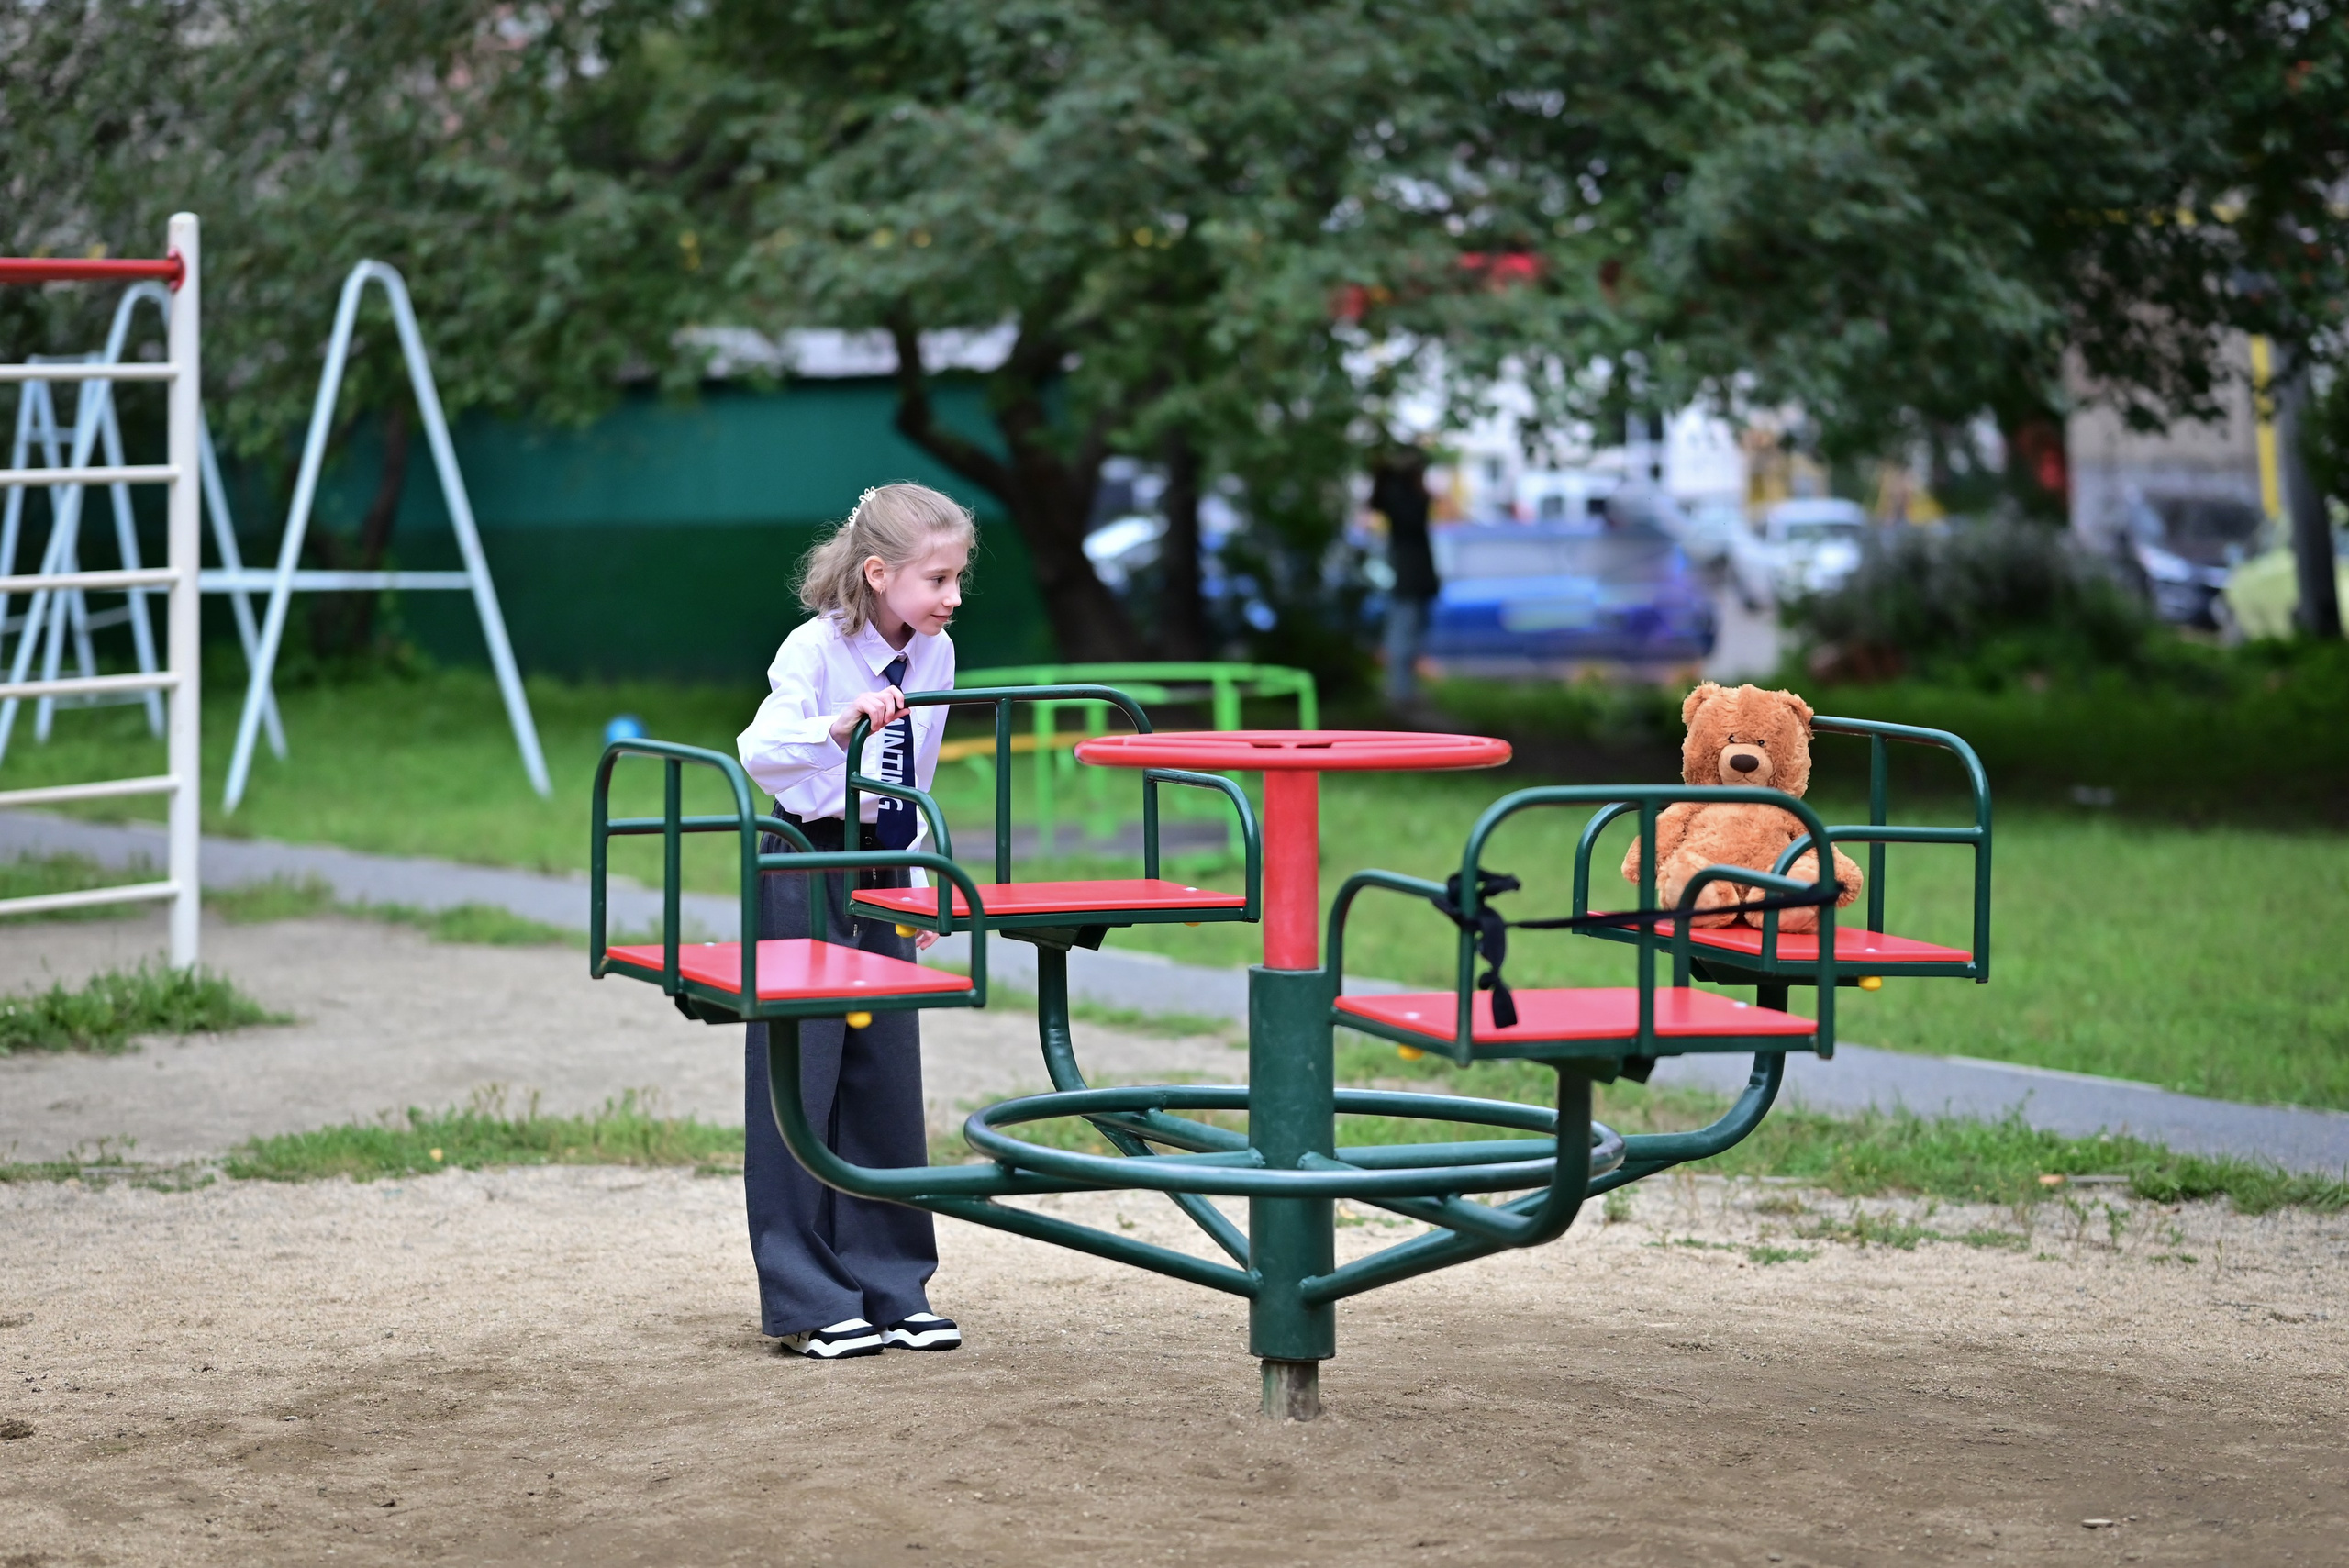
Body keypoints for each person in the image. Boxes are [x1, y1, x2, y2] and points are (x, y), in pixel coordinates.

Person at [735, 483, 973, 1360]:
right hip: (807, 857)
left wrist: (919, 874)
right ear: (879, 573)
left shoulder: (936, 654)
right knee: (803, 1071)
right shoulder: (815, 648)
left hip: (885, 856)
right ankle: (808, 1294)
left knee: (886, 1073)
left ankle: (892, 1281)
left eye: (958, 577)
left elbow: (919, 771)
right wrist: (835, 728)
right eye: (937, 579)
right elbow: (759, 752)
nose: (952, 596)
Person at [1369, 444, 1440, 706]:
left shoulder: (1406, 495)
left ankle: (1405, 691)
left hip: (1416, 580)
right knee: (1402, 639)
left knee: (1410, 639)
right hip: (1407, 581)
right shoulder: (1399, 495)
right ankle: (1400, 693)